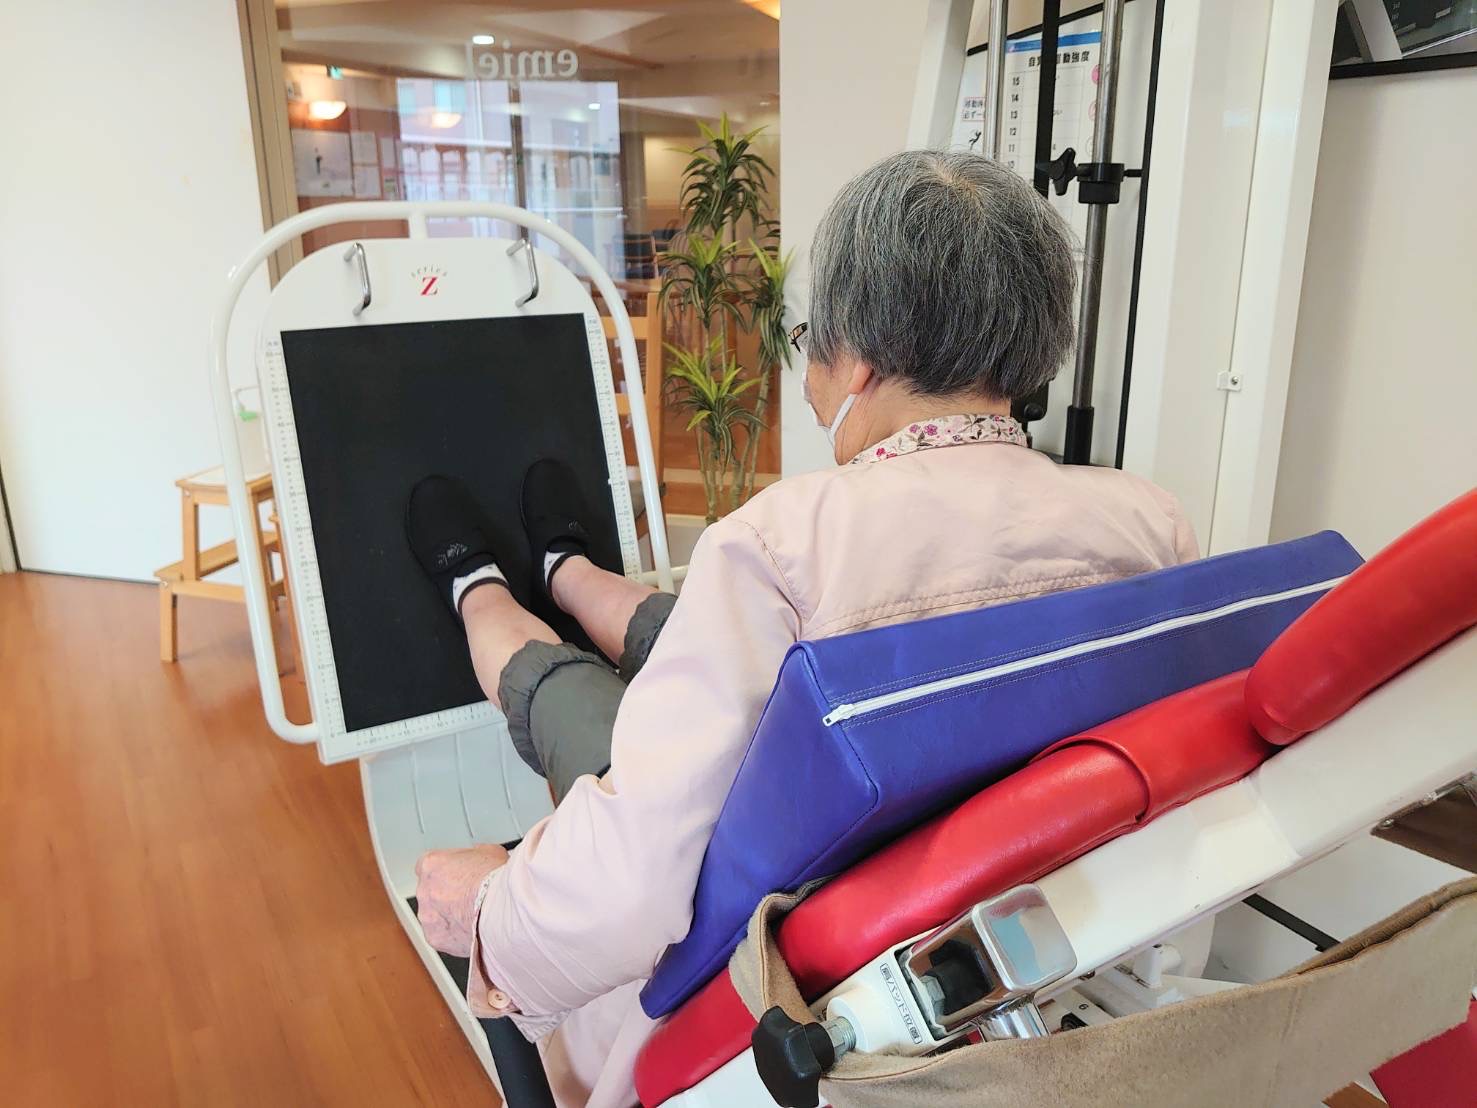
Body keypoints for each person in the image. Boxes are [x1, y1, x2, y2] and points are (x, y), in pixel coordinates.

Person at [410, 149, 1200, 1107]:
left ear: (855, 358)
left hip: (789, 925)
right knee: (677, 627)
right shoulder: (1146, 521)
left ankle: (481, 590)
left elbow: (632, 881)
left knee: (566, 694)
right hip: (989, 863)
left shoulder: (784, 542)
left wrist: (489, 912)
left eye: (808, 342)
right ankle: (567, 573)